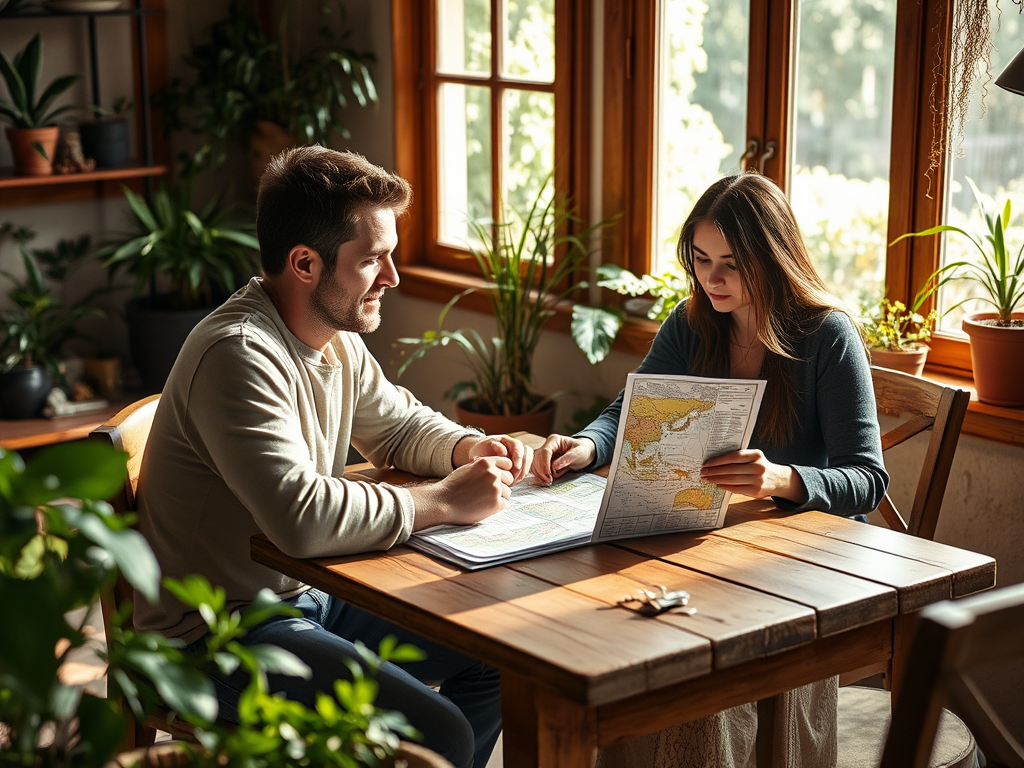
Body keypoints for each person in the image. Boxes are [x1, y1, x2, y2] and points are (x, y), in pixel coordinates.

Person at [135, 146, 533, 768]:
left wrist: (464, 446)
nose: (393, 278)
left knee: (503, 657)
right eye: (374, 260)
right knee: (442, 734)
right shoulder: (238, 355)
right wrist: (441, 501)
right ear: (304, 263)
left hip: (307, 599)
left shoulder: (332, 337)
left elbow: (397, 425)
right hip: (216, 638)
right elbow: (300, 518)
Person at [533, 172, 889, 767]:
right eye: (700, 260)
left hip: (796, 573)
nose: (712, 279)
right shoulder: (692, 322)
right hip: (700, 545)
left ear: (773, 259)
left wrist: (784, 479)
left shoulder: (828, 337)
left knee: (697, 669)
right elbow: (631, 409)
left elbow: (868, 478)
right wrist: (590, 446)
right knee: (622, 641)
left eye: (731, 263)